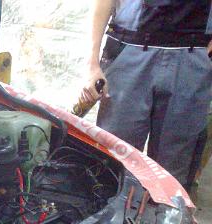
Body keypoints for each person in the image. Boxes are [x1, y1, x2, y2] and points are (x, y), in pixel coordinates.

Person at [81, 0, 212, 190]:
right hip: (130, 51)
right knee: (114, 160)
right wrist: (91, 64)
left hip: (191, 58)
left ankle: (162, 208)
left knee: (174, 171)